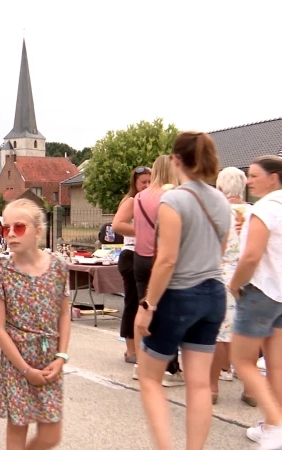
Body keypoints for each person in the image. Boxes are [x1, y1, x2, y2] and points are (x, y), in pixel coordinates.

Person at [135, 131, 230, 450]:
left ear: (176, 161)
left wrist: (147, 305)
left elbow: (167, 259)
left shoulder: (173, 199)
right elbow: (222, 248)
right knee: (200, 384)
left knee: (149, 379)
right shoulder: (220, 200)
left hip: (179, 295)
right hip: (213, 294)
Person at [0, 199, 71, 450]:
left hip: (49, 360)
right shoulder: (1, 272)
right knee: (18, 430)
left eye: (19, 227)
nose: (11, 234)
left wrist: (61, 356)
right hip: (17, 362)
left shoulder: (58, 267)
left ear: (37, 231)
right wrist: (25, 370)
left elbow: (64, 314)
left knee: (50, 436)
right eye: (6, 229)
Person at [227, 155, 282, 446]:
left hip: (260, 291)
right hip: (281, 293)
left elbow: (250, 256)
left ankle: (276, 425)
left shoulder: (265, 209)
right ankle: (273, 422)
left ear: (273, 178)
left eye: (256, 175)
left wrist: (235, 285)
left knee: (242, 360)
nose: (249, 180)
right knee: (277, 364)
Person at [128, 155, 182, 385]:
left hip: (140, 257)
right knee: (165, 311)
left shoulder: (139, 196)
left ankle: (141, 364)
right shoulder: (172, 196)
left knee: (143, 308)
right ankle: (169, 367)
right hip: (161, 257)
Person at [211, 167, 252, 405]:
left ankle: (213, 387)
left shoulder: (217, 212)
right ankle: (250, 389)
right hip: (249, 276)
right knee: (248, 332)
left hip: (222, 274)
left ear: (220, 187)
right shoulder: (254, 212)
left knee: (219, 333)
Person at [112, 166, 152, 365]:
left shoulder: (150, 200)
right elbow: (117, 225)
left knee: (141, 303)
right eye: (143, 182)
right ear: (135, 184)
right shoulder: (131, 201)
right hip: (131, 255)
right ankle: (130, 349)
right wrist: (143, 230)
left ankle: (140, 347)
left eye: (149, 181)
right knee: (133, 302)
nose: (146, 185)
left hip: (144, 254)